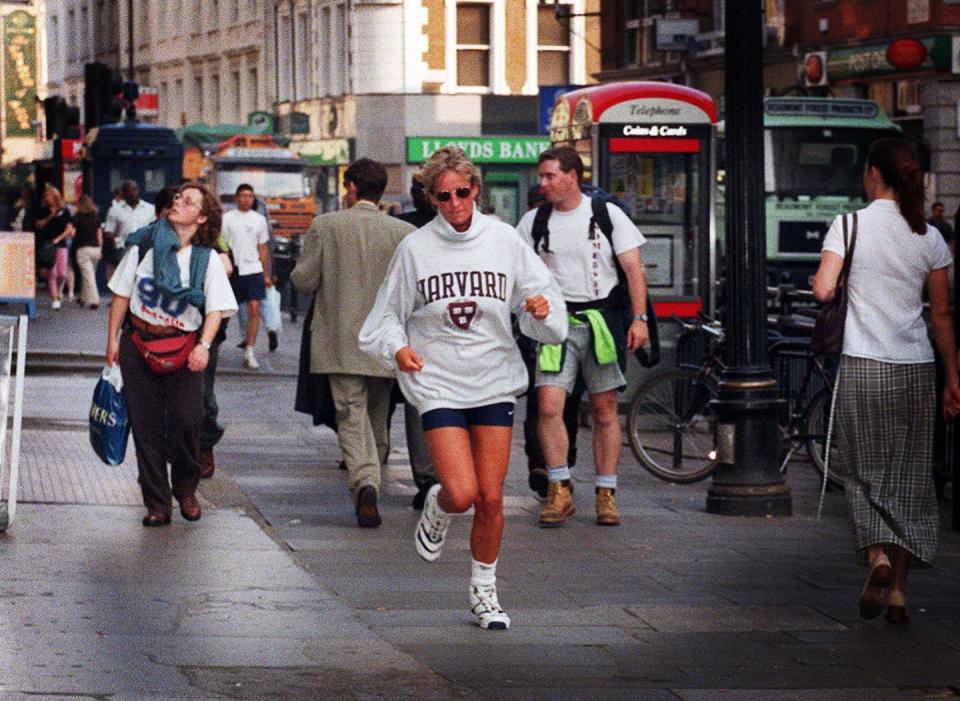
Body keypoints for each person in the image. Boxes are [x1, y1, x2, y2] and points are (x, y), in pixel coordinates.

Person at [359, 146, 566, 630]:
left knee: (491, 497)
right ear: (430, 197)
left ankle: (484, 593)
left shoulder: (504, 240)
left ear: (476, 190)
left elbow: (543, 300)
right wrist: (397, 350)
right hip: (439, 382)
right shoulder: (415, 248)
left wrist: (538, 310)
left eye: (462, 192)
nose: (454, 202)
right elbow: (386, 315)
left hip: (493, 377)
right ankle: (438, 503)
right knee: (461, 490)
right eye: (443, 195)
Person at [812, 137, 960, 624]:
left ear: (873, 173)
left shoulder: (849, 225)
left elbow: (823, 288)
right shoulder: (930, 235)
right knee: (912, 477)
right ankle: (897, 589)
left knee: (862, 470)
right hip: (916, 365)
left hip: (863, 362)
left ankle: (875, 556)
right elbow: (941, 315)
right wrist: (952, 378)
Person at [517, 147, 648, 528]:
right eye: (541, 176)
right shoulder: (533, 221)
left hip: (601, 319)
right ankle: (559, 488)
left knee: (605, 410)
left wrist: (638, 319)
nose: (542, 183)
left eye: (550, 176)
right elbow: (519, 271)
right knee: (548, 406)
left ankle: (606, 494)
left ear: (572, 176)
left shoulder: (606, 215)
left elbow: (634, 269)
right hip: (555, 323)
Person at [291, 158, 414, 528]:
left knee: (349, 414)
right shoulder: (403, 233)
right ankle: (372, 475)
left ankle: (364, 481)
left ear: (352, 188)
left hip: (338, 341)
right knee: (378, 417)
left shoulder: (326, 225)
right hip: (385, 342)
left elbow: (303, 280)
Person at [106, 182, 237, 526]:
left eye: (188, 201)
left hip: (184, 347)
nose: (178, 202)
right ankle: (157, 503)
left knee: (186, 422)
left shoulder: (205, 258)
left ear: (202, 216)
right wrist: (113, 340)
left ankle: (185, 489)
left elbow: (216, 310)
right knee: (145, 427)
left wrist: (204, 347)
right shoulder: (145, 244)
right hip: (139, 342)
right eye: (178, 197)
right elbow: (121, 294)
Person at [391, 175, 440, 508]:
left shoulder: (401, 227)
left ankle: (427, 477)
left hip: (415, 328)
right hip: (432, 329)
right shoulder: (450, 227)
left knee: (417, 405)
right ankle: (440, 475)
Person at [221, 184, 270, 369]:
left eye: (250, 196)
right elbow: (221, 243)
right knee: (224, 312)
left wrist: (266, 274)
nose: (246, 199)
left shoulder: (259, 220)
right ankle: (214, 343)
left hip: (254, 269)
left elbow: (263, 248)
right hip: (233, 270)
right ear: (237, 197)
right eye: (243, 195)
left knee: (254, 309)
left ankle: (250, 351)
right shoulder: (227, 219)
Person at [103, 180, 155, 278]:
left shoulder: (150, 209)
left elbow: (155, 228)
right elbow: (109, 231)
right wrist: (117, 241)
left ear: (138, 190)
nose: (132, 193)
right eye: (128, 190)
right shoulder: (115, 210)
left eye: (134, 190)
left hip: (144, 250)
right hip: (124, 251)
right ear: (123, 193)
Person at [35, 186, 74, 310]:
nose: (47, 198)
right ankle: (55, 298)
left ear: (55, 196)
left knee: (62, 273)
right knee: (52, 273)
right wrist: (50, 216)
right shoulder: (43, 210)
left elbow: (69, 228)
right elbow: (39, 225)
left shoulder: (64, 210)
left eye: (49, 195)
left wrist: (58, 238)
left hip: (60, 244)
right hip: (48, 244)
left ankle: (58, 291)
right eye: (46, 196)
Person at [72, 195, 103, 309]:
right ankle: (83, 297)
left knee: (88, 276)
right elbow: (99, 235)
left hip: (83, 249)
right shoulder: (96, 217)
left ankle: (94, 300)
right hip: (96, 249)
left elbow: (73, 233)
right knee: (89, 274)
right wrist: (101, 248)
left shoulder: (78, 218)